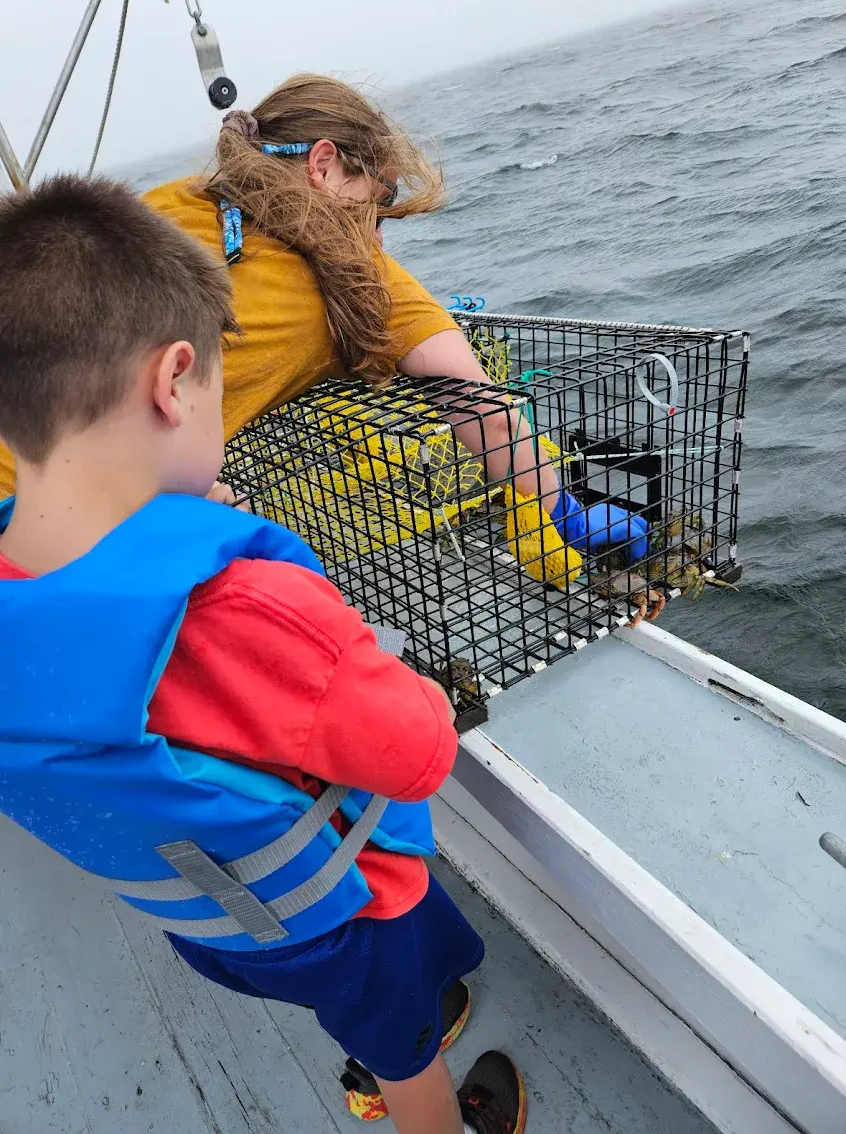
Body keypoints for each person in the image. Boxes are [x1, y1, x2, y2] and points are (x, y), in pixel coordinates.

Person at [0, 175, 527, 1134]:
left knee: (389, 976)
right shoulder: (243, 603)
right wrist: (423, 697)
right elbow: (416, 755)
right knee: (395, 1039)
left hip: (212, 924)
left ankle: (421, 1005)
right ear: (172, 381)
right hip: (338, 924)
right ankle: (417, 1099)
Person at [0, 74, 648, 571]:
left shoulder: (167, 203)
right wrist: (559, 512)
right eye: (381, 197)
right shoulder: (357, 275)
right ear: (323, 165)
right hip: (45, 528)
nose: (380, 225)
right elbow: (487, 412)